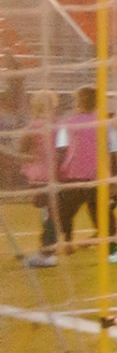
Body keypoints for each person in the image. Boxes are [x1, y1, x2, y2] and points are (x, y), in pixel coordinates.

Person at [53, 86, 117, 263]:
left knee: (63, 213)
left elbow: (61, 149)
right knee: (102, 213)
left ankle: (67, 243)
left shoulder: (67, 123)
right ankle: (112, 252)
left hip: (73, 176)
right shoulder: (105, 124)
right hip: (97, 176)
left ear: (77, 102)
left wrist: (58, 172)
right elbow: (114, 150)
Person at [21, 90, 62, 267]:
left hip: (38, 176)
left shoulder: (32, 127)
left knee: (48, 212)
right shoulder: (59, 125)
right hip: (56, 176)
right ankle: (48, 249)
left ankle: (47, 252)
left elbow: (23, 149)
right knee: (51, 212)